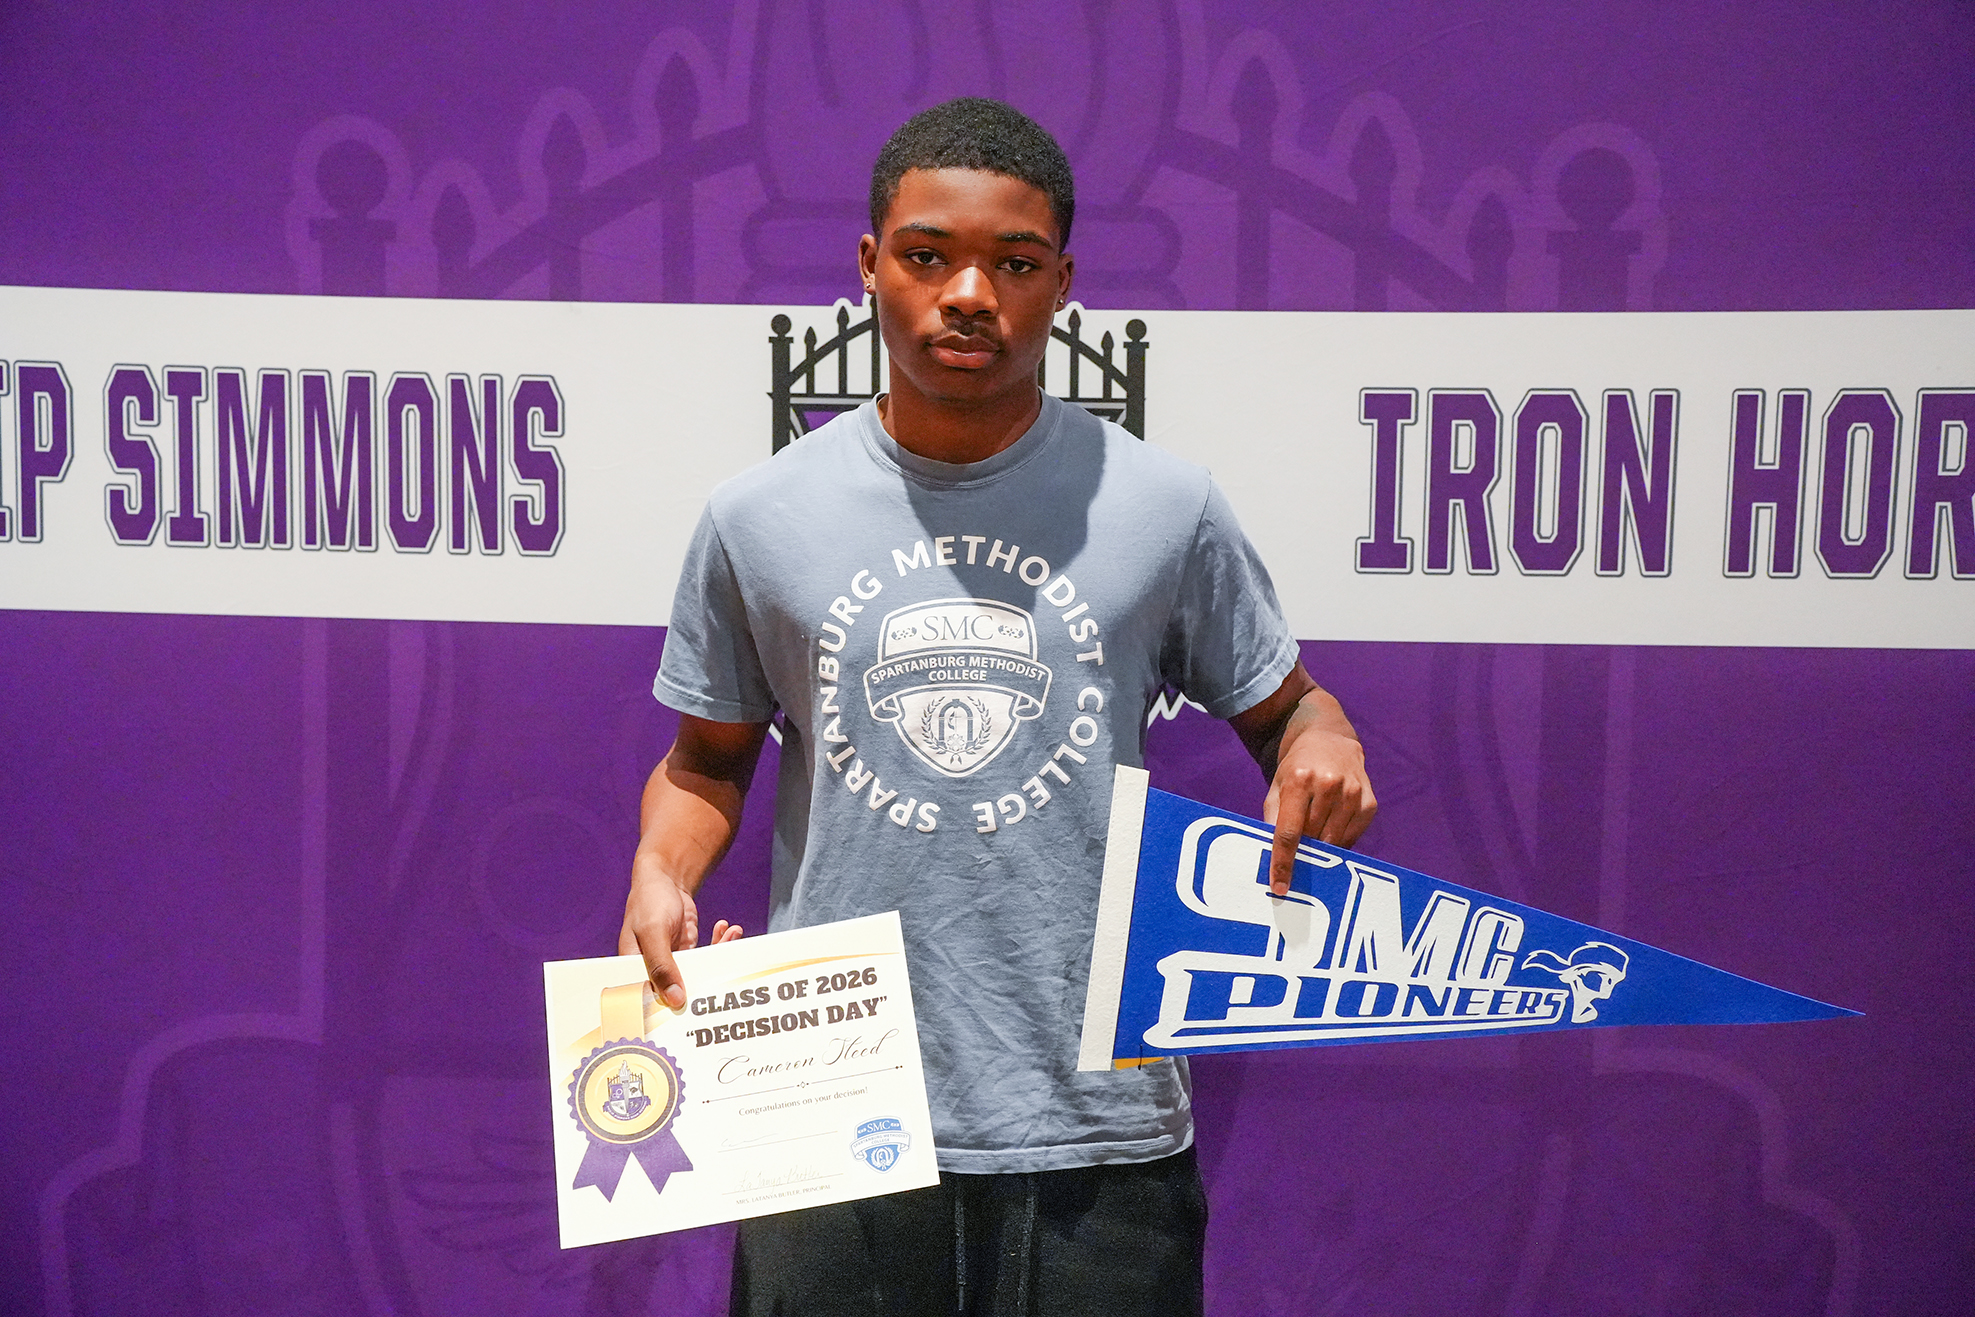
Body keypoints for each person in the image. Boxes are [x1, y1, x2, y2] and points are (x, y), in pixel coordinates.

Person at [621, 97, 1376, 1316]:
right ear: (869, 264)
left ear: (1063, 284)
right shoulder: (757, 517)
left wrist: (1324, 741)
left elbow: (1288, 711)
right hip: (826, 1104)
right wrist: (662, 870)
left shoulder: (1162, 507)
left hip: (1096, 1118)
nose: (968, 292)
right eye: (927, 255)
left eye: (1013, 264)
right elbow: (706, 760)